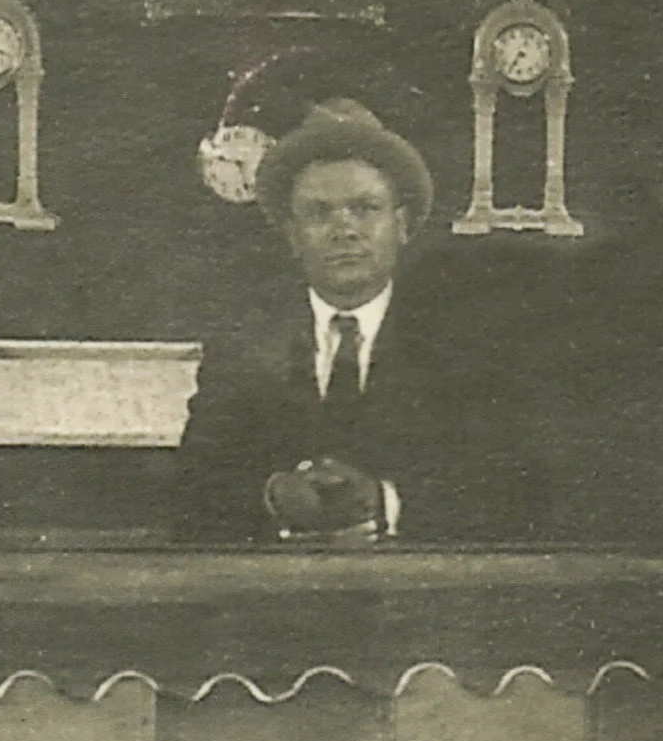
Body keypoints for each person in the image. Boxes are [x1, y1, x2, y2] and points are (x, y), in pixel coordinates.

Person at [177, 98, 523, 542]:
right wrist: (274, 497)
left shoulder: (464, 345)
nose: (345, 230)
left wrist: (386, 502)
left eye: (365, 208)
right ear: (292, 235)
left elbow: (508, 490)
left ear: (401, 224)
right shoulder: (243, 347)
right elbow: (192, 488)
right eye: (319, 213)